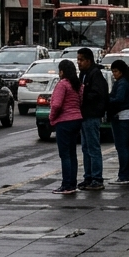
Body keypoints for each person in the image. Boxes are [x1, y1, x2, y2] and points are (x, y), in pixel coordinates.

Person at [49, 59, 84, 195]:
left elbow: (56, 104)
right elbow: (80, 102)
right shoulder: (77, 85)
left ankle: (66, 185)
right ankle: (72, 183)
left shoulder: (62, 84)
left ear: (62, 71)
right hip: (76, 119)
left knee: (64, 155)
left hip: (64, 121)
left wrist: (52, 118)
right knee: (72, 153)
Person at [76, 48, 108, 190]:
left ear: (88, 60)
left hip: (92, 115)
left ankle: (97, 178)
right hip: (83, 115)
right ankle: (88, 177)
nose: (79, 63)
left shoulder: (95, 74)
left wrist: (84, 99)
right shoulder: (83, 74)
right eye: (78, 60)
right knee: (85, 148)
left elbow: (98, 94)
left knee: (93, 148)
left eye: (81, 60)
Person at [106, 59, 129, 185]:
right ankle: (124, 175)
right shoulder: (127, 82)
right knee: (124, 147)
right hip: (127, 117)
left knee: (122, 147)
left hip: (121, 117)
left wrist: (108, 99)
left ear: (121, 71)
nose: (114, 74)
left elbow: (119, 99)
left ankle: (124, 176)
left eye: (115, 71)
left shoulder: (122, 83)